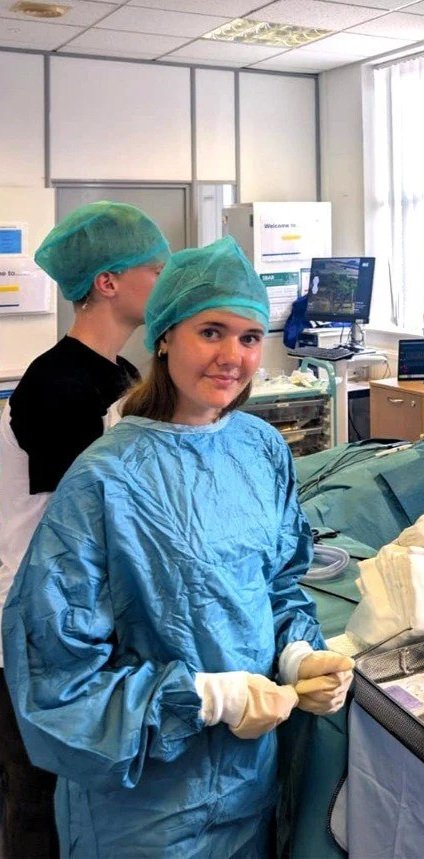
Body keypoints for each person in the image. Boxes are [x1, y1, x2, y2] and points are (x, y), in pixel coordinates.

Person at [2, 235, 354, 856]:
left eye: (249, 337)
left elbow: (272, 584)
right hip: (145, 802)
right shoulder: (106, 479)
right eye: (211, 331)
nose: (233, 357)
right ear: (164, 336)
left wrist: (297, 653)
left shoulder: (260, 447)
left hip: (249, 782)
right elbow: (58, 674)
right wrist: (205, 699)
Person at [0, 200, 169, 858]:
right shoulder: (58, 386)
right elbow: (89, 521)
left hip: (74, 616)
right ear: (107, 281)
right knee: (35, 788)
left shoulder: (117, 375)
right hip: (37, 625)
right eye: (154, 269)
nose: (163, 281)